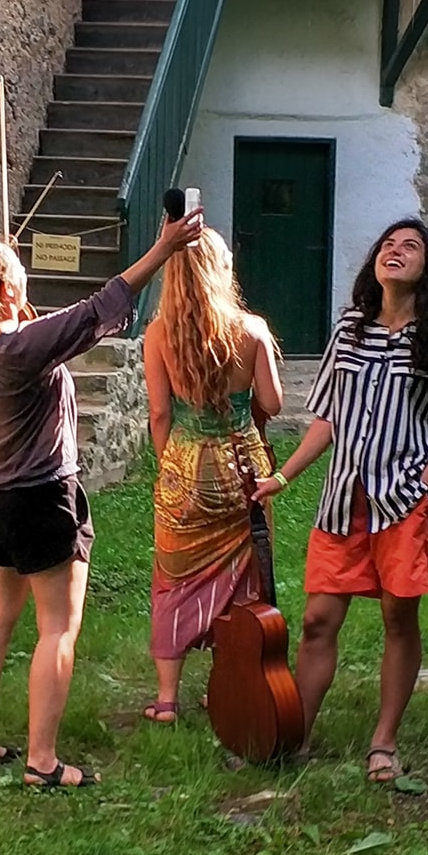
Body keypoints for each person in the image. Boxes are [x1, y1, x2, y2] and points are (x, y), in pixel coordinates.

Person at [0, 212, 205, 787]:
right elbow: (101, 305)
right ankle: (43, 762)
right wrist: (163, 247)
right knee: (57, 629)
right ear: (8, 290)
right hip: (41, 498)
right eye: (22, 279)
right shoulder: (22, 348)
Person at [260, 218, 428, 783]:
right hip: (343, 501)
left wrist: (424, 482)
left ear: (427, 268)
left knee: (396, 617)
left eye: (409, 247)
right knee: (317, 620)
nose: (395, 251)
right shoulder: (351, 329)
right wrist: (282, 477)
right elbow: (328, 419)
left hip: (403, 503)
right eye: (388, 244)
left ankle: (383, 742)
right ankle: (296, 736)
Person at [141, 226, 283, 722]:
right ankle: (224, 684)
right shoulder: (252, 329)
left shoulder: (158, 334)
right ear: (222, 271)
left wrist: (168, 467)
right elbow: (272, 402)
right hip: (242, 469)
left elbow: (160, 413)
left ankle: (166, 699)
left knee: (172, 579)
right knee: (241, 582)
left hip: (184, 466)